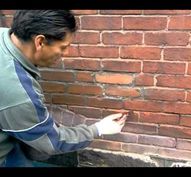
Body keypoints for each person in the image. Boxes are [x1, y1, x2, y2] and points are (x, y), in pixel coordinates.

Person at [0, 10, 127, 167]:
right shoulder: (19, 94)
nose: (66, 53)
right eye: (63, 47)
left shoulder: (5, 36)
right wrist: (98, 129)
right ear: (40, 42)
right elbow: (51, 141)